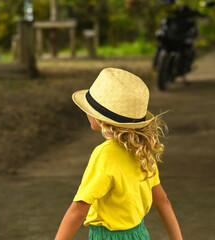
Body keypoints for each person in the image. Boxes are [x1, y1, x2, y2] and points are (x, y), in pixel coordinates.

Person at [54, 68, 183, 240]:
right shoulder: (143, 151)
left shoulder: (104, 155)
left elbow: (78, 210)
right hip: (140, 235)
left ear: (101, 119)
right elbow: (163, 201)